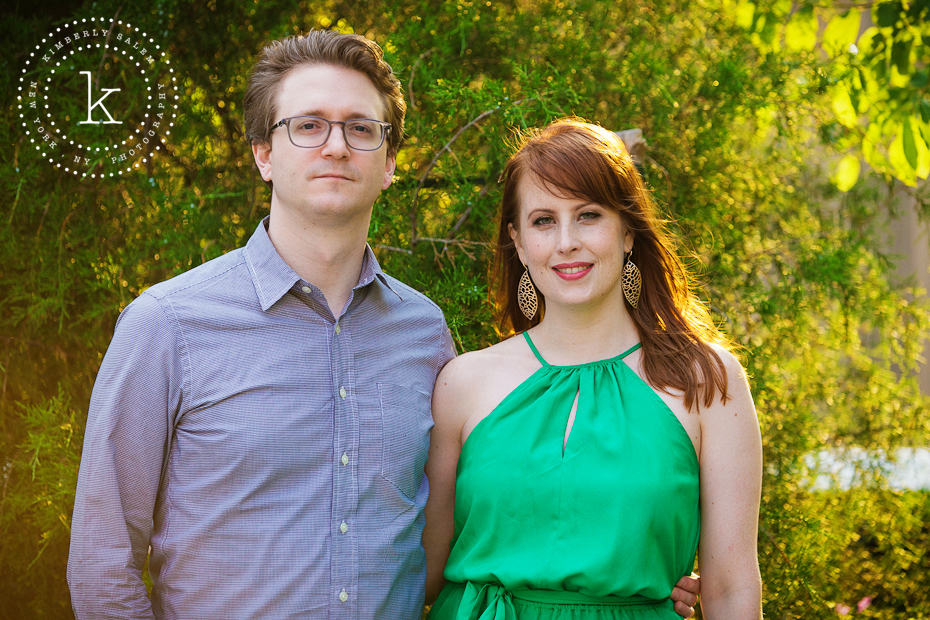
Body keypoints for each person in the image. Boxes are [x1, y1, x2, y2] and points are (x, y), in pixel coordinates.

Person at [67, 29, 702, 618]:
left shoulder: (424, 336)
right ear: (263, 153)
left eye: (361, 129)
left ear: (391, 161)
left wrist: (628, 575)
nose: (336, 145)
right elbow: (102, 561)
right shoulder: (168, 325)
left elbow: (476, 520)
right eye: (308, 125)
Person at [423, 119, 762, 618]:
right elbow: (417, 576)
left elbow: (732, 590)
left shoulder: (706, 382)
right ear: (518, 242)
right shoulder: (462, 383)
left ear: (628, 231)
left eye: (588, 215)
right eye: (543, 221)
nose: (566, 242)